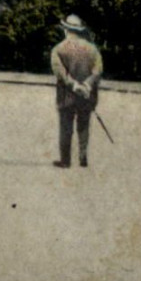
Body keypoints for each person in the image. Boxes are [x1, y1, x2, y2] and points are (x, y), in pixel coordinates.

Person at [50, 14, 104, 169]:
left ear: (66, 30)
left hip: (66, 95)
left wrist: (75, 85)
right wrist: (87, 85)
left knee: (66, 126)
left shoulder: (58, 50)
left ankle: (65, 161)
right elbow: (98, 70)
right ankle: (83, 157)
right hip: (87, 95)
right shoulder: (92, 49)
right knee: (84, 124)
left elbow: (60, 73)